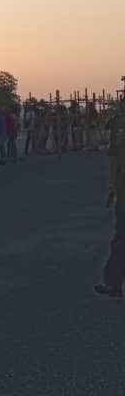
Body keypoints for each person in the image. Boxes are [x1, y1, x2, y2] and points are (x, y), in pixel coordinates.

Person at [97, 103, 125, 297]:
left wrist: (111, 187)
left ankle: (114, 283)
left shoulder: (119, 128)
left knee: (121, 237)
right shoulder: (119, 129)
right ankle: (114, 282)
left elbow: (114, 160)